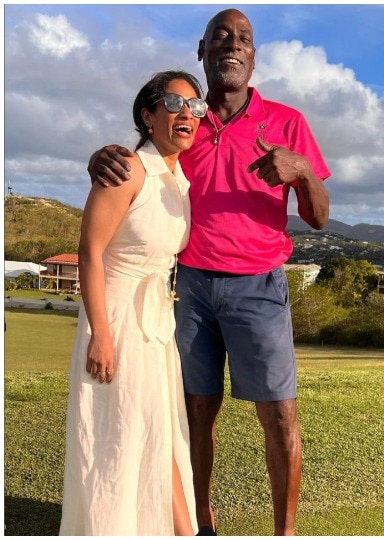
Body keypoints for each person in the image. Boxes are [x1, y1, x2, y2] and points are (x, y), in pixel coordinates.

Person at [87, 9, 331, 536]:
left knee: (280, 415)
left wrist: (303, 170)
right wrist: (102, 157)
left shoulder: (287, 122)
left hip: (259, 286)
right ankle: (200, 526)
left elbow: (319, 216)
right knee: (195, 412)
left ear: (253, 56)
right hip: (189, 287)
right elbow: (142, 164)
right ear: (202, 51)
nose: (232, 45)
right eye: (220, 36)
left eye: (243, 38)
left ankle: (284, 533)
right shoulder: (189, 122)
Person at [61, 70, 205, 535]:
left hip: (157, 326)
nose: (187, 113)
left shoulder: (177, 179)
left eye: (195, 107)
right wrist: (101, 335)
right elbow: (90, 252)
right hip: (118, 320)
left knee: (160, 435)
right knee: (119, 439)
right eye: (173, 102)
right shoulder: (125, 169)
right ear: (147, 115)